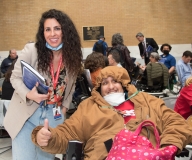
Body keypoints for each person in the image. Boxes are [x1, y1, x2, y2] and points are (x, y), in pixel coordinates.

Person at [31, 66, 192, 159]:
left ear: (124, 84)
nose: (111, 87)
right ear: (99, 88)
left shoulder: (147, 101)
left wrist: (167, 148)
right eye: (105, 83)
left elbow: (176, 123)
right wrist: (48, 137)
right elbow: (67, 133)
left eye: (115, 81)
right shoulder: (89, 107)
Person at [4, 9, 82, 160]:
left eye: (57, 28)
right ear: (43, 32)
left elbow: (71, 86)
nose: (52, 34)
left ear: (65, 30)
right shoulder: (32, 51)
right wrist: (28, 94)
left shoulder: (73, 55)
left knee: (46, 158)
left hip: (53, 116)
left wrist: (64, 107)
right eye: (48, 29)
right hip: (26, 115)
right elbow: (14, 78)